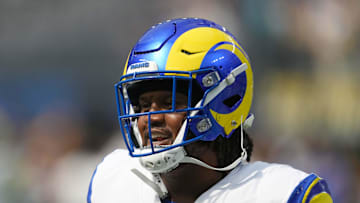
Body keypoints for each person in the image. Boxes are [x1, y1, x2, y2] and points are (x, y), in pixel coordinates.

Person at [87, 18, 333, 203]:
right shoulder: (112, 181)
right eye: (143, 106)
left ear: (224, 101)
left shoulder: (284, 193)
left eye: (168, 103)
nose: (151, 119)